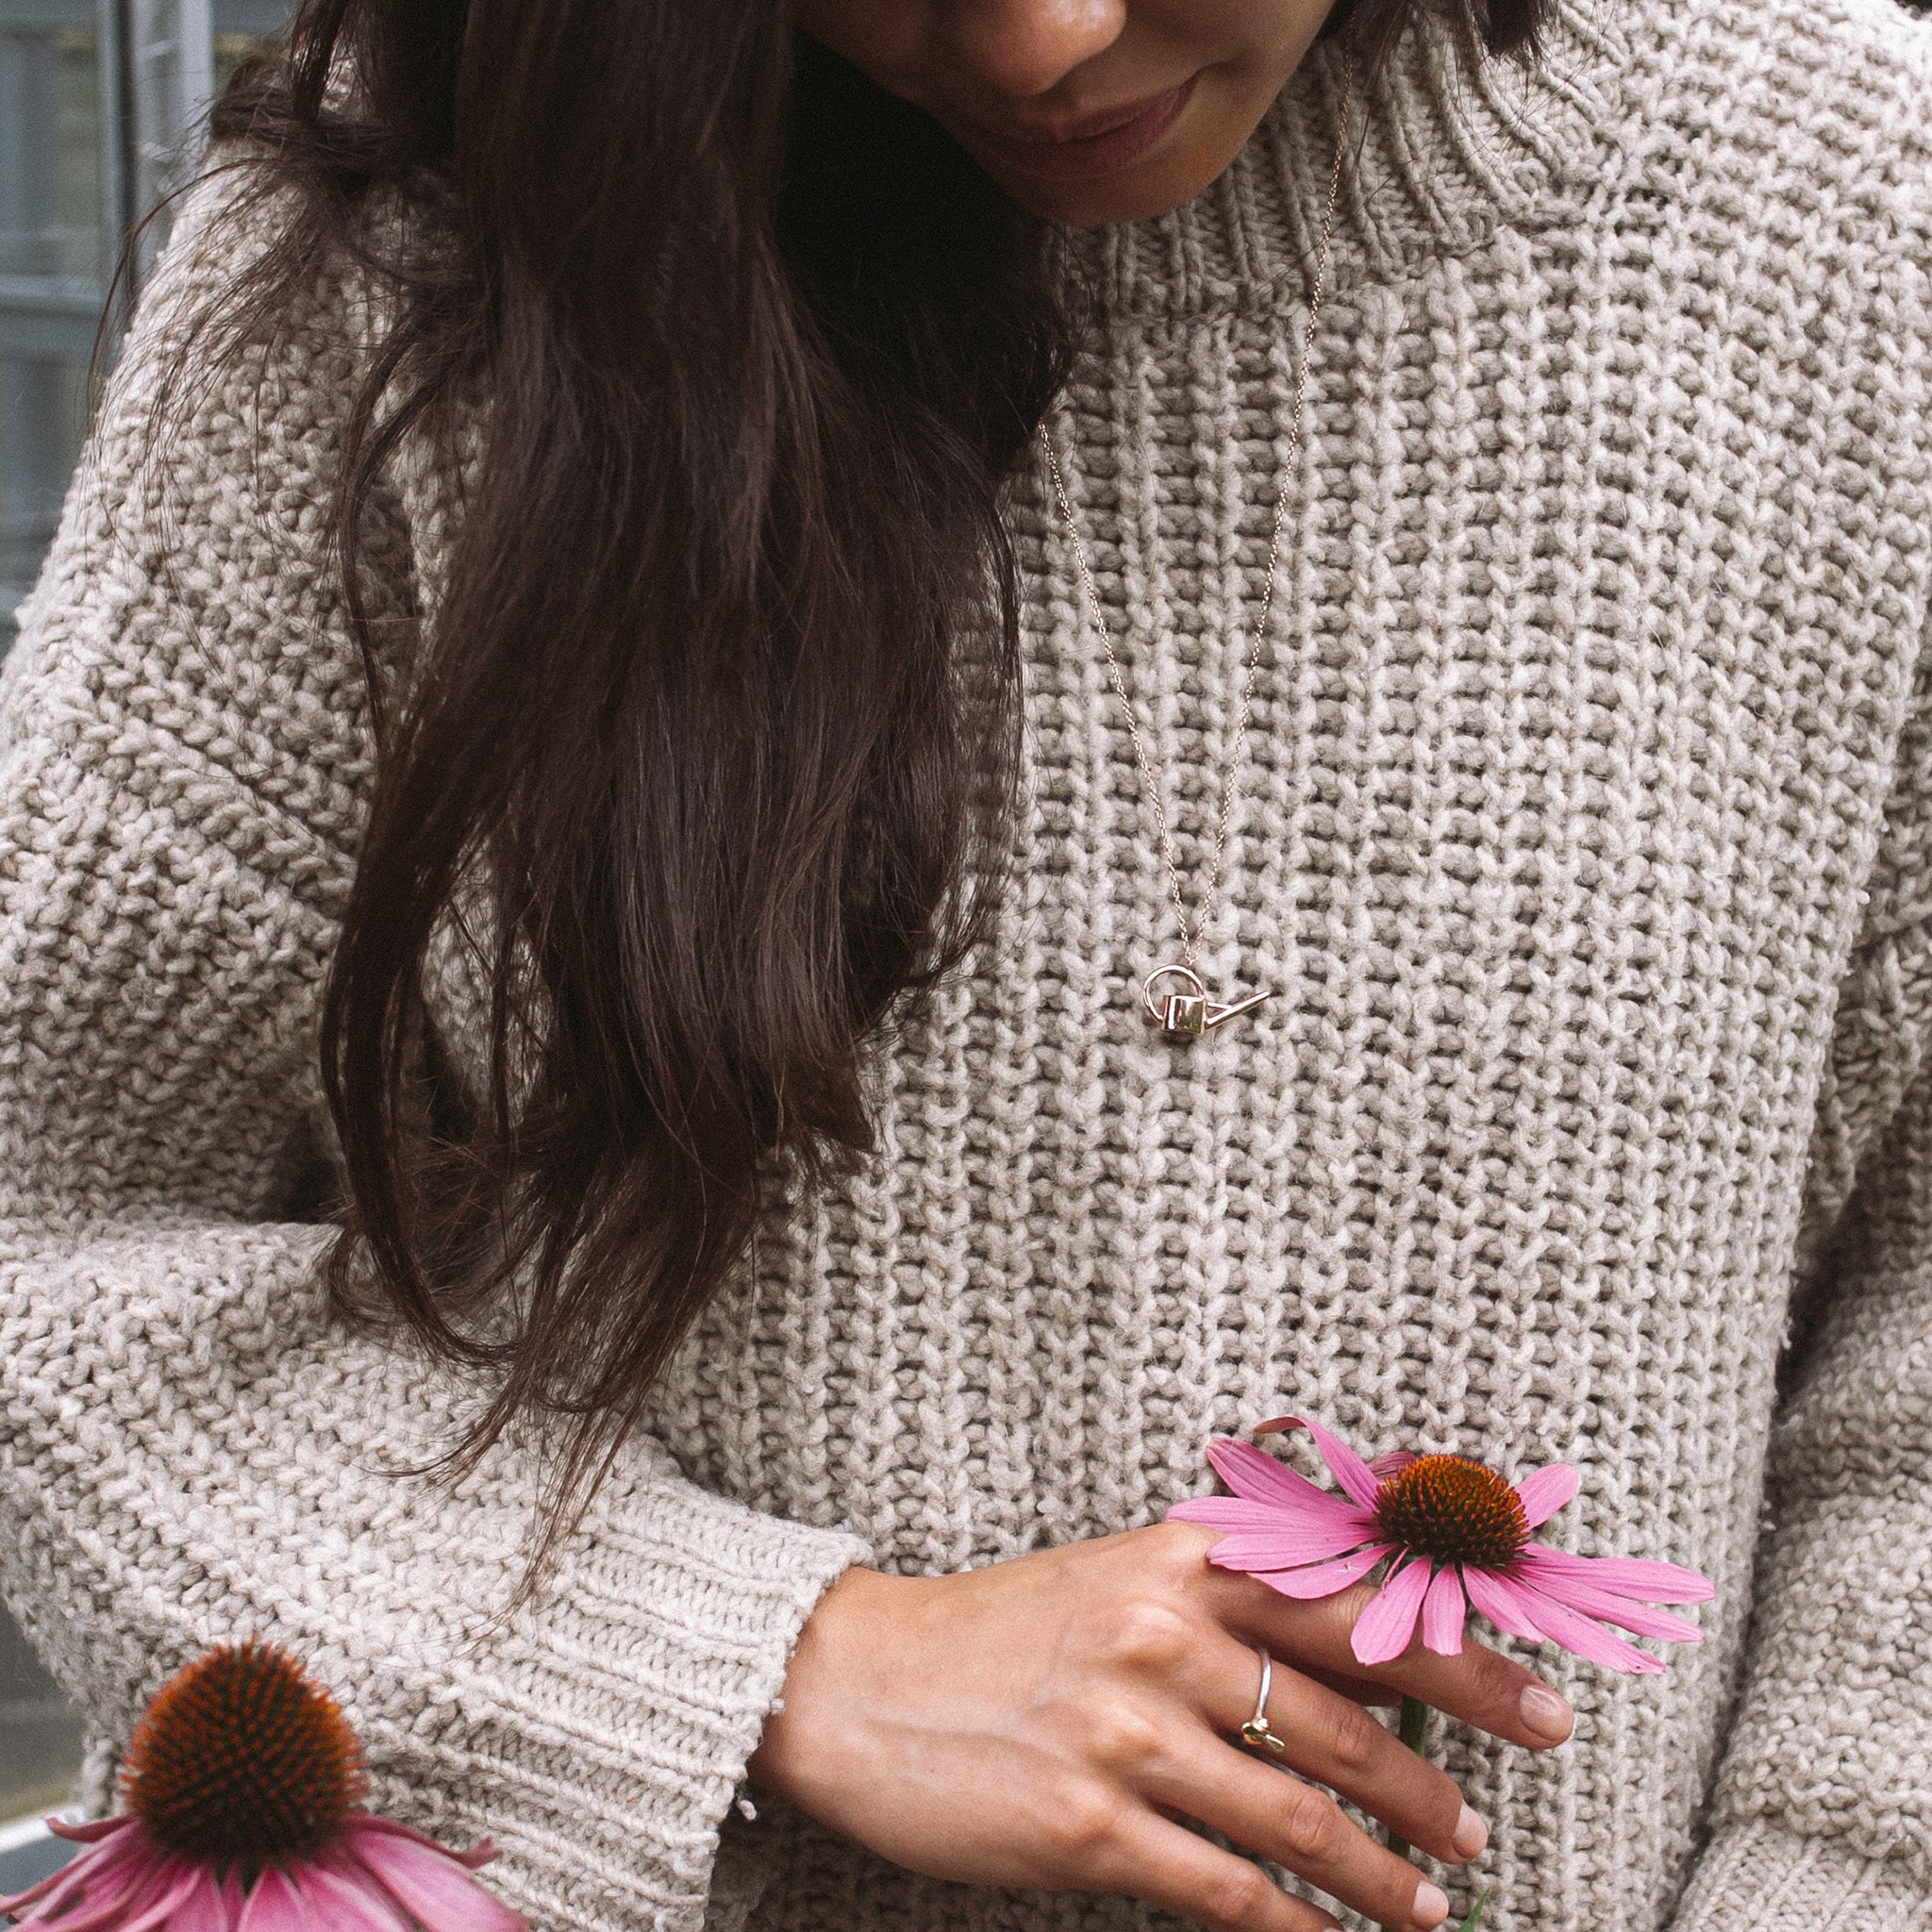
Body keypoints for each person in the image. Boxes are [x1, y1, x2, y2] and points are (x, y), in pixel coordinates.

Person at [3, 0, 1931, 1926]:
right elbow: (47, 1226)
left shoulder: (1845, 212)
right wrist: (766, 1662)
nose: (1036, 42)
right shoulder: (424, 228)